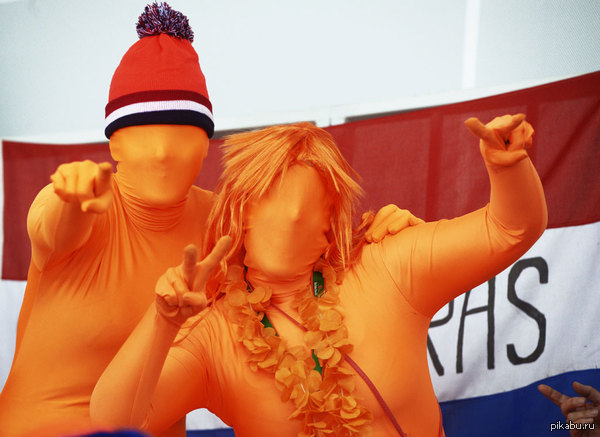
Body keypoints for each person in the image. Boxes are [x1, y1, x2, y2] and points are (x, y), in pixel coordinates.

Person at [90, 114, 547, 436]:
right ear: (238, 216)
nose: (279, 218)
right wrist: (162, 321)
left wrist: (507, 168)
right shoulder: (215, 336)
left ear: (331, 222)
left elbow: (509, 228)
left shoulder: (388, 265)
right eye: (258, 200)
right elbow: (116, 423)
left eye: (297, 205)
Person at [0, 3, 215, 436]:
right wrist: (70, 202)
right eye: (143, 133)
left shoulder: (222, 217)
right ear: (114, 145)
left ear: (206, 144)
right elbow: (54, 232)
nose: (161, 151)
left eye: (182, 132)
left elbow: (303, 259)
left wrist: (381, 236)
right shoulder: (82, 199)